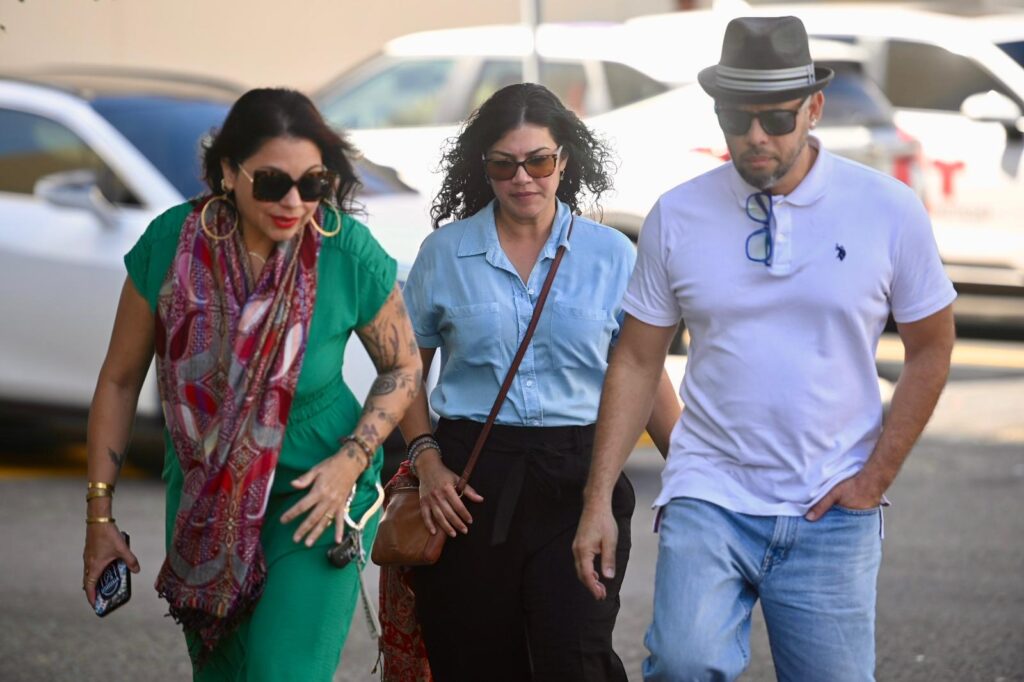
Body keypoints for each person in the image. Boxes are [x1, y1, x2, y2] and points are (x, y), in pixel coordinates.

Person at [573, 16, 957, 682]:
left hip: (832, 506)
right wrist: (598, 498)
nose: (755, 135)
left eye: (777, 118)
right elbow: (636, 359)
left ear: (814, 108)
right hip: (710, 495)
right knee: (682, 666)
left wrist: (875, 478)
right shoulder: (678, 214)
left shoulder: (888, 210)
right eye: (737, 117)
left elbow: (932, 346)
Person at [80, 88, 420, 681]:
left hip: (318, 493)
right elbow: (118, 381)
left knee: (280, 671)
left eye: (312, 183)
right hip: (205, 495)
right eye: (272, 182)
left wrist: (352, 461)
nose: (294, 202)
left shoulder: (344, 250)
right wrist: (99, 519)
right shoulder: (170, 245)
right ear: (228, 172)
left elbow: (404, 366)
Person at [382, 82, 680, 681]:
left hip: (581, 476)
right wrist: (426, 459)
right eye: (504, 164)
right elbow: (405, 369)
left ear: (564, 160)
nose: (523, 178)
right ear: (484, 167)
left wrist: (695, 480)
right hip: (469, 482)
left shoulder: (612, 255)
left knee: (577, 659)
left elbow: (644, 374)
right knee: (475, 664)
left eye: (539, 161)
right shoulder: (444, 253)